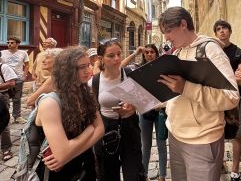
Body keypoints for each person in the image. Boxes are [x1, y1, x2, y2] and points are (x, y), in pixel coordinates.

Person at [157, 7, 239, 181]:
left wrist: (186, 88)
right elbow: (177, 96)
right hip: (175, 135)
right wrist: (144, 101)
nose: (167, 37)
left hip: (202, 140)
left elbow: (231, 97)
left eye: (169, 31)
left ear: (184, 24)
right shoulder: (177, 52)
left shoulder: (210, 50)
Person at [34, 46, 104, 180]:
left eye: (88, 65)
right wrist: (89, 130)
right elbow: (62, 153)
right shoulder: (50, 103)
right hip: (60, 174)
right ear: (66, 70)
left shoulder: (85, 93)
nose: (88, 70)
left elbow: (100, 129)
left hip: (85, 167)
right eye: (81, 67)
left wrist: (69, 155)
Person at [89, 38, 145, 181]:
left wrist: (134, 106)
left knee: (134, 174)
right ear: (101, 58)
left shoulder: (130, 74)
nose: (117, 59)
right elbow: (90, 110)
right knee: (108, 173)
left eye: (119, 54)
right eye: (111, 56)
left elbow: (145, 101)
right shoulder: (95, 81)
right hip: (106, 128)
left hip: (129, 127)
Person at [213, 20, 241, 181]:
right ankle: (218, 163)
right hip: (217, 100)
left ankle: (234, 171)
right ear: (215, 34)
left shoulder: (238, 53)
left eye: (225, 28)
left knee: (237, 135)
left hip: (235, 100)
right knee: (216, 134)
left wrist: (231, 78)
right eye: (218, 29)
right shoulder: (212, 53)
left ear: (230, 31)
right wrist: (232, 77)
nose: (222, 31)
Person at [138, 44, 167, 181]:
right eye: (147, 52)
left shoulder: (162, 68)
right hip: (145, 112)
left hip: (160, 111)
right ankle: (143, 174)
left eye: (152, 52)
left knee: (161, 144)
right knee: (146, 145)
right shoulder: (139, 69)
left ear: (156, 53)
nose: (149, 54)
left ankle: (162, 175)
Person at [1, 37, 29, 124]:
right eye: (8, 42)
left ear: (17, 44)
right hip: (6, 80)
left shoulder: (23, 53)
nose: (9, 44)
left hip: (18, 78)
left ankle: (17, 117)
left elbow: (27, 65)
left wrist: (24, 76)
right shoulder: (2, 53)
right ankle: (5, 116)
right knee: (4, 98)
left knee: (17, 98)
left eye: (12, 42)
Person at [0, 51, 17, 161]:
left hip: (1, 96)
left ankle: (6, 149)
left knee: (3, 122)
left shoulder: (4, 67)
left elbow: (11, 83)